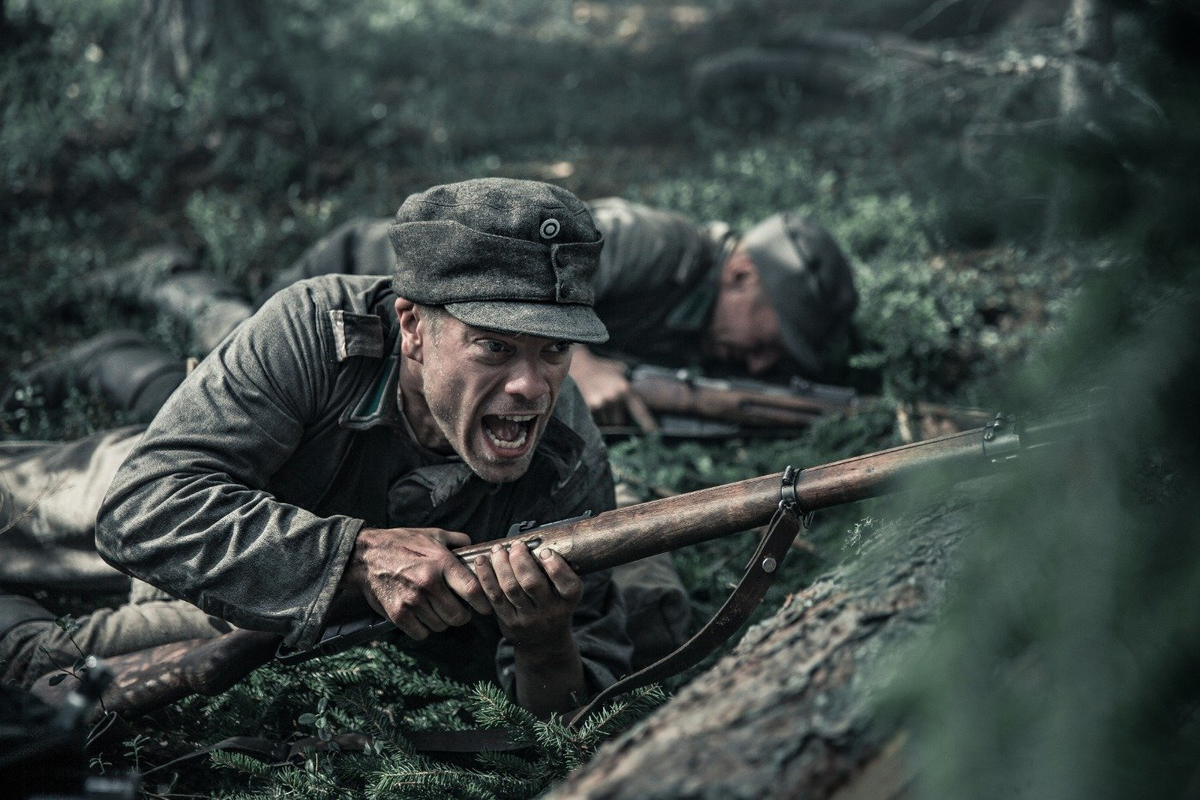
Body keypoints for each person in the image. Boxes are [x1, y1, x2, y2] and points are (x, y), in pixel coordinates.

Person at [0, 179, 641, 717]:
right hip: (191, 484)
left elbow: (571, 724)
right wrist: (360, 557)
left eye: (555, 350)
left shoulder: (567, 460)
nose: (531, 385)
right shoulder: (313, 331)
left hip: (267, 612)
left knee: (45, 664)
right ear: (413, 326)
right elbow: (142, 507)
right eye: (495, 346)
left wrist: (544, 644)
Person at [1, 199, 858, 427]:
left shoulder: (701, 312)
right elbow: (535, 256)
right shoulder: (659, 246)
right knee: (241, 372)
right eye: (771, 343)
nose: (759, 366)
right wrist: (584, 365)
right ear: (742, 273)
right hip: (367, 285)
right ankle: (161, 288)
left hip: (439, 343)